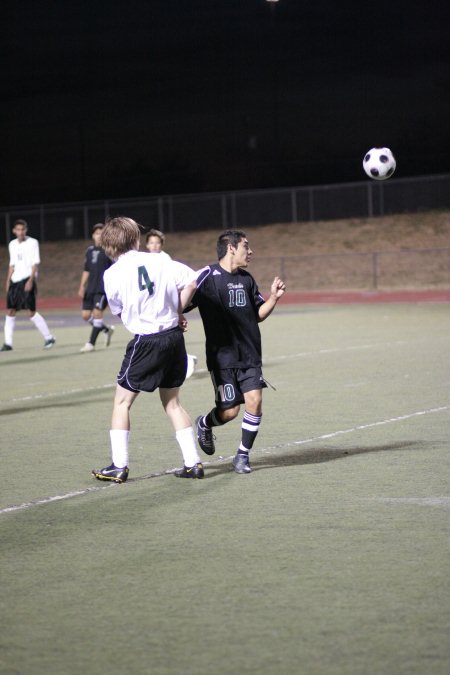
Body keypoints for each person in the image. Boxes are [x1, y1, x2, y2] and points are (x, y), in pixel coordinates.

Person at [92, 216, 204, 483]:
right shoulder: (160, 260)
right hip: (174, 337)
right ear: (136, 239)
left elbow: (119, 311)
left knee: (121, 402)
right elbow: (192, 281)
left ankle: (119, 466)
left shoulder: (112, 274)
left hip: (146, 341)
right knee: (173, 403)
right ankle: (193, 463)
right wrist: (176, 312)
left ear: (108, 245)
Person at [187, 229, 286, 474]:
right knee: (229, 411)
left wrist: (273, 298)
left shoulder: (247, 279)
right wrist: (176, 317)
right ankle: (204, 423)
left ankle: (242, 455)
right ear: (231, 248)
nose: (250, 251)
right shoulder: (206, 276)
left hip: (250, 355)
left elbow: (258, 314)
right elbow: (182, 302)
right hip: (222, 358)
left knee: (255, 401)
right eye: (246, 246)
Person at [145, 228, 197, 379]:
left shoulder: (164, 259)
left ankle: (186, 359)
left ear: (161, 244)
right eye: (151, 242)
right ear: (147, 245)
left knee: (167, 335)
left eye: (157, 242)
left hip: (166, 301)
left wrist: (178, 309)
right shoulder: (147, 260)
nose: (154, 245)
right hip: (155, 302)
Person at [1, 219, 56, 351]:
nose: (20, 232)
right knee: (10, 311)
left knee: (31, 312)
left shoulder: (33, 243)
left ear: (26, 230)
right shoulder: (12, 244)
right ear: (14, 231)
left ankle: (49, 337)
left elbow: (35, 264)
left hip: (26, 280)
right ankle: (8, 343)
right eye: (18, 229)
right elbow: (12, 264)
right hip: (15, 281)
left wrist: (31, 280)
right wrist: (8, 280)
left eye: (23, 229)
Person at [78, 223, 114, 352]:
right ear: (93, 235)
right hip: (90, 288)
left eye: (102, 233)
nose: (99, 236)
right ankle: (106, 329)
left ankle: (91, 344)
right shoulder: (89, 250)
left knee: (97, 312)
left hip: (102, 288)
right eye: (97, 233)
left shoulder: (110, 250)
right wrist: (82, 286)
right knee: (86, 315)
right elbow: (86, 270)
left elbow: (115, 269)